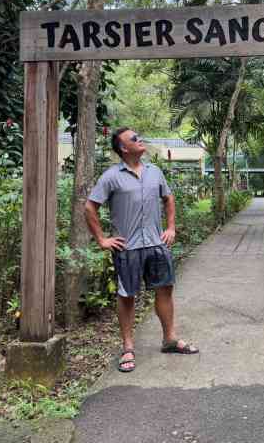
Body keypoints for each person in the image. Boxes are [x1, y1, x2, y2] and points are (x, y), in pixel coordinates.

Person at [84, 127, 198, 373]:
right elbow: (90, 207)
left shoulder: (155, 171)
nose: (140, 140)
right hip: (128, 247)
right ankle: (128, 347)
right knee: (127, 295)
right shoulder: (111, 176)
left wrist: (171, 227)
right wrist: (102, 239)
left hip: (157, 244)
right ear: (123, 148)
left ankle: (169, 339)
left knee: (165, 289)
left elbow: (168, 198)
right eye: (134, 138)